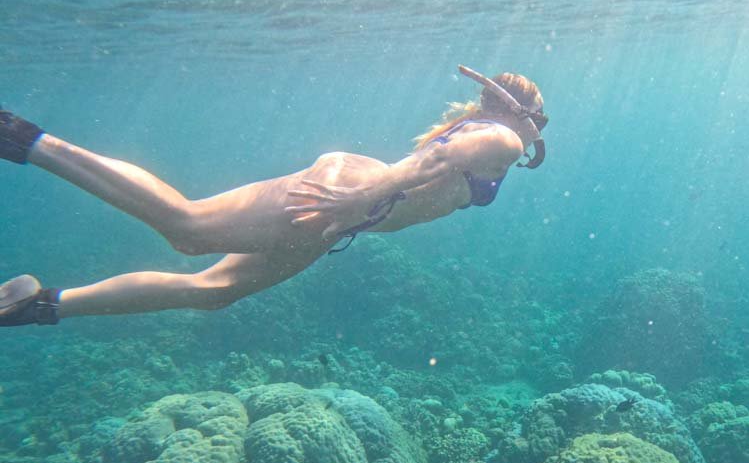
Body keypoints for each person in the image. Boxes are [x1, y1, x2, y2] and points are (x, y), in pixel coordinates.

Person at [0, 66, 547, 327]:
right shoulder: (501, 138)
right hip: (351, 195)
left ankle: (39, 304)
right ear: (520, 112)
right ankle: (25, 139)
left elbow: (435, 165)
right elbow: (435, 161)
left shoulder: (493, 136)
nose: (537, 132)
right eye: (539, 119)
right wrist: (360, 200)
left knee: (212, 290)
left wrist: (360, 208)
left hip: (353, 211)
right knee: (188, 228)